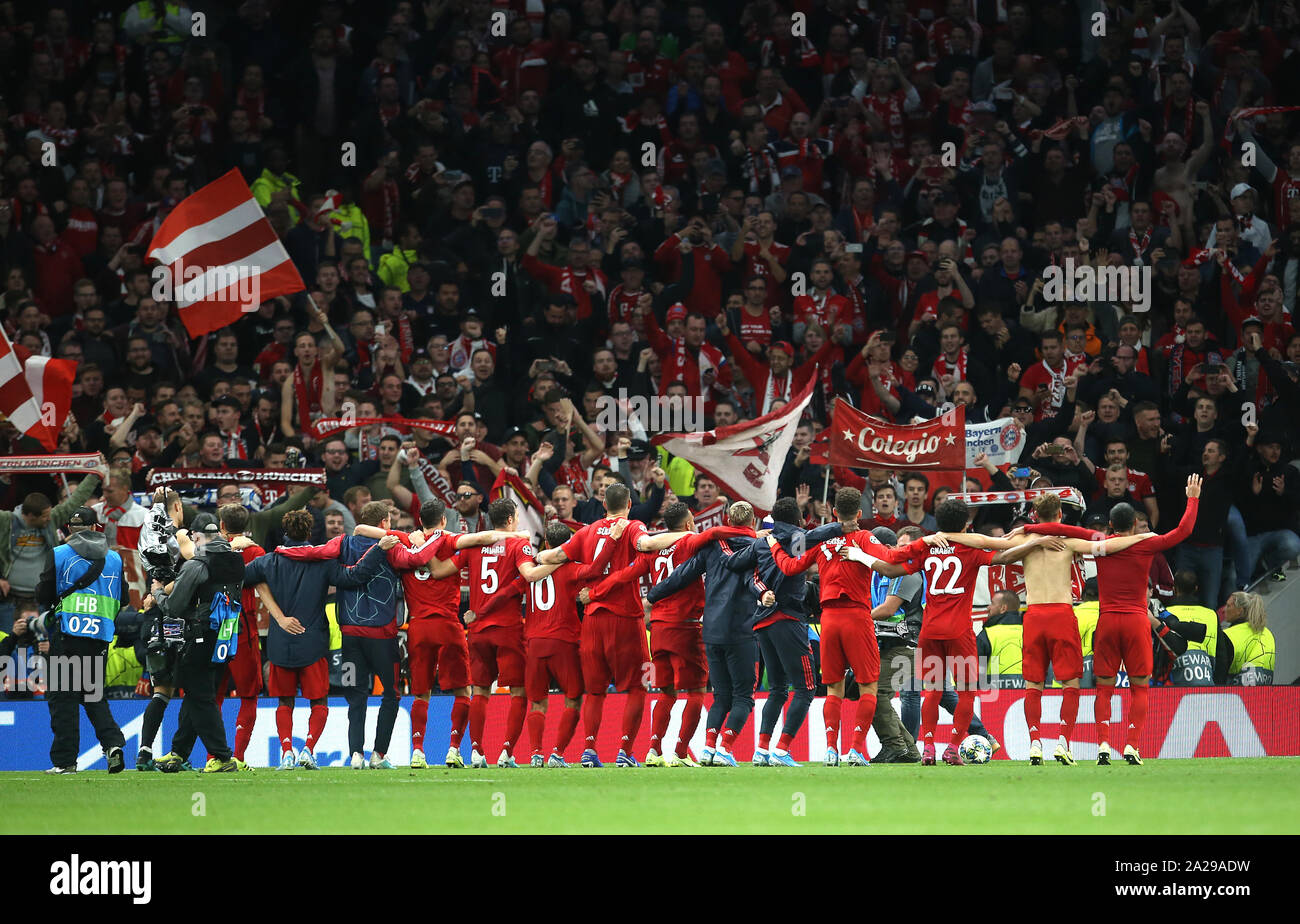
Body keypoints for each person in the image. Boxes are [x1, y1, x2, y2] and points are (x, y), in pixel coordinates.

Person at [941, 492, 1155, 764]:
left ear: (1034, 515)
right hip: (1061, 614)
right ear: (1059, 516)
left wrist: (946, 536)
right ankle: (1064, 744)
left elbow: (992, 547)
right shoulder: (1070, 543)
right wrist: (1142, 538)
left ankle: (1035, 744)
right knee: (1070, 682)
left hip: (1033, 615)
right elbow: (1108, 546)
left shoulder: (1022, 540)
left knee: (1034, 683)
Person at [1024, 475, 1202, 765]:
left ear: (1109, 526)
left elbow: (1064, 528)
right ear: (1134, 524)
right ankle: (1131, 745)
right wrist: (1192, 498)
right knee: (1139, 687)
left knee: (1104, 687)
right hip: (1136, 621)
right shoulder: (1145, 543)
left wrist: (1030, 527)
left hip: (1106, 622)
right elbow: (1183, 531)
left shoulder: (1102, 543)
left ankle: (1104, 745)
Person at [875, 499, 1053, 765]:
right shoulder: (970, 549)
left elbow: (891, 566)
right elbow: (1006, 556)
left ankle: (928, 747)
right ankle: (953, 746)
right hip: (959, 631)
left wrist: (861, 557)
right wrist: (1035, 543)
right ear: (966, 524)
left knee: (932, 691)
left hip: (930, 630)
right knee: (967, 692)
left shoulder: (928, 549)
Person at [354, 498, 528, 769]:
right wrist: (518, 534)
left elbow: (363, 530)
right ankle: (454, 748)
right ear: (443, 520)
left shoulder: (403, 539)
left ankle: (418, 751)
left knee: (421, 693)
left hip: (419, 628)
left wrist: (408, 537)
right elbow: (484, 536)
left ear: (420, 520)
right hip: (449, 625)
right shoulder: (449, 540)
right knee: (463, 690)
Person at [535, 483, 693, 767]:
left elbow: (555, 556)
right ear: (630, 504)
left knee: (594, 691)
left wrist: (538, 557)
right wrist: (688, 536)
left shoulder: (586, 531)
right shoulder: (633, 527)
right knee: (640, 685)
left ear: (604, 505)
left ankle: (589, 750)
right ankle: (624, 751)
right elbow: (645, 545)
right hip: (626, 619)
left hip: (592, 621)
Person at [767, 487, 917, 767]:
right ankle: (856, 750)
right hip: (857, 617)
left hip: (829, 620)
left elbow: (790, 567)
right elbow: (889, 559)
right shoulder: (863, 537)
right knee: (868, 686)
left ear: (834, 513)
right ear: (860, 514)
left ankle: (830, 751)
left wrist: (774, 544)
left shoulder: (820, 542)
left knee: (834, 689)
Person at [589, 503, 743, 766]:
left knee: (666, 692)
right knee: (696, 692)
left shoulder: (653, 548)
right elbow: (718, 535)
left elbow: (627, 574)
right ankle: (681, 753)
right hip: (687, 626)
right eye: (693, 521)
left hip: (657, 629)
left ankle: (653, 750)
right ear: (686, 525)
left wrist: (594, 592)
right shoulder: (691, 542)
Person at [243, 510, 397, 769]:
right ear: (309, 532)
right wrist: (379, 550)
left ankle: (286, 752)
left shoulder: (268, 561)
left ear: (285, 532)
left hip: (280, 641)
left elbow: (241, 578)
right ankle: (308, 749)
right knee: (319, 701)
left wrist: (277, 615)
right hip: (313, 641)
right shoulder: (323, 562)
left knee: (284, 701)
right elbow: (354, 576)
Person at [722, 497, 843, 766]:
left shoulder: (762, 542)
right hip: (787, 619)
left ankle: (762, 750)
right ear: (798, 518)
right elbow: (815, 534)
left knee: (777, 688)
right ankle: (781, 749)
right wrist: (841, 526)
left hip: (762, 622)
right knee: (806, 688)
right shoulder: (797, 537)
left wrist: (755, 536)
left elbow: (733, 563)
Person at [645, 501, 760, 767]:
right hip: (701, 626)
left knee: (670, 693)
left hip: (681, 628)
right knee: (711, 693)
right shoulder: (749, 545)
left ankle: (655, 750)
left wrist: (652, 595)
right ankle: (688, 752)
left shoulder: (668, 546)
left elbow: (680, 574)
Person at [36, 506, 127, 774]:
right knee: (92, 695)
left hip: (68, 634)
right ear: (97, 527)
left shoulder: (60, 553)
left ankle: (65, 761)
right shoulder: (114, 559)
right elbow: (122, 600)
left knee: (63, 698)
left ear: (68, 530)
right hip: (99, 636)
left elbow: (43, 593)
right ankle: (113, 745)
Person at [152, 515, 245, 773]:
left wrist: (157, 591)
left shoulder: (197, 565)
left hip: (200, 635)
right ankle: (178, 753)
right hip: (226, 635)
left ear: (195, 536)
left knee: (201, 696)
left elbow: (174, 606)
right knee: (197, 693)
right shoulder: (237, 560)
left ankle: (223, 757)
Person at [867, 525, 924, 764]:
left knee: (876, 694)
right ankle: (907, 750)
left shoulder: (908, 574)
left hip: (905, 646)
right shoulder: (884, 574)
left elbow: (889, 609)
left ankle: (896, 746)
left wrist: (857, 619)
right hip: (890, 644)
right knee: (873, 693)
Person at [1219, 591, 1275, 686]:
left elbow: (1220, 674)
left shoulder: (1228, 635)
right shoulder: (1268, 634)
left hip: (1236, 695)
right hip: (1265, 695)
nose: (1224, 609)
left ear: (1240, 611)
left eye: (1228, 606)